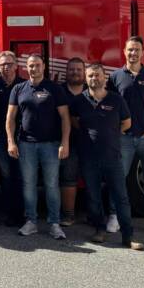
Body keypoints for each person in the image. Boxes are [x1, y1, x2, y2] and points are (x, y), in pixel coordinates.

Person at [71, 64, 144, 250]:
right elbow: (74, 121)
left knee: (121, 198)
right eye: (90, 76)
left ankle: (128, 237)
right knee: (93, 197)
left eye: (97, 75)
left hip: (112, 158)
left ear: (105, 78)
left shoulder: (116, 100)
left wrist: (111, 133)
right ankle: (99, 231)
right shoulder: (79, 101)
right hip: (88, 158)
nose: (94, 78)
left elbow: (127, 123)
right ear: (86, 79)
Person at [107, 36, 144, 236]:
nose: (133, 53)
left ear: (143, 52)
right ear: (124, 52)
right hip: (124, 138)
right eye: (130, 50)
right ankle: (114, 217)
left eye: (137, 50)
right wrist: (116, 130)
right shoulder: (115, 77)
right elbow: (110, 107)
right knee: (118, 178)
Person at [6, 54, 70, 239]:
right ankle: (31, 221)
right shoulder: (18, 89)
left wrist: (64, 142)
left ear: (44, 67)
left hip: (51, 145)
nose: (34, 69)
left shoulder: (55, 89)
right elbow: (10, 118)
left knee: (51, 185)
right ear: (26, 68)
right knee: (28, 185)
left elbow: (65, 117)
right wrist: (11, 141)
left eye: (37, 65)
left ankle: (54, 224)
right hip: (26, 145)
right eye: (31, 66)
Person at [0, 51, 25, 226]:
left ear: (16, 66)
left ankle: (24, 213)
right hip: (0, 138)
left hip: (23, 137)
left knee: (23, 175)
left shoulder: (25, 85)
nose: (6, 67)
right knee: (7, 176)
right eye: (2, 64)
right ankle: (11, 213)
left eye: (9, 64)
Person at [59, 57, 86, 226]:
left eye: (78, 70)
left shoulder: (93, 89)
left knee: (93, 179)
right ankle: (68, 215)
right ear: (66, 72)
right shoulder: (59, 90)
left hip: (91, 144)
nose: (75, 72)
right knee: (68, 178)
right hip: (68, 142)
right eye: (71, 69)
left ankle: (94, 215)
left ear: (84, 72)